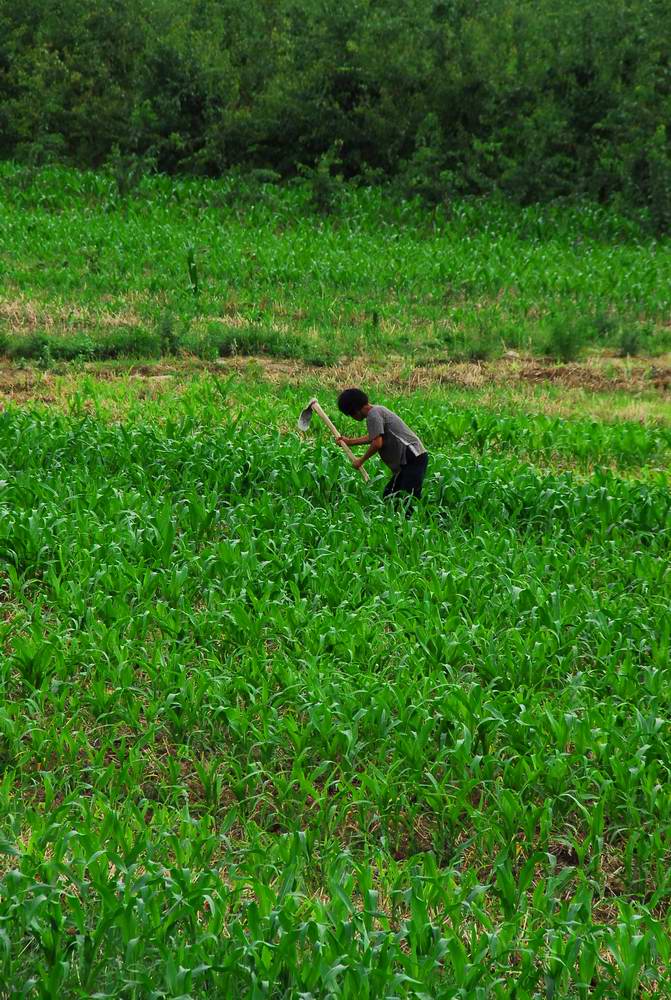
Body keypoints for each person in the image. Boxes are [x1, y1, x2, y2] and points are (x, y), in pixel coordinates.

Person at [336, 388, 429, 509]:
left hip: (413, 457)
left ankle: (412, 523)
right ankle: (398, 522)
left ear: (354, 409)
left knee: (407, 498)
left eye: (350, 414)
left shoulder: (373, 415)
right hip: (410, 459)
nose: (352, 417)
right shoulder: (377, 411)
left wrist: (361, 460)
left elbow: (377, 443)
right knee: (390, 495)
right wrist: (350, 442)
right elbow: (375, 436)